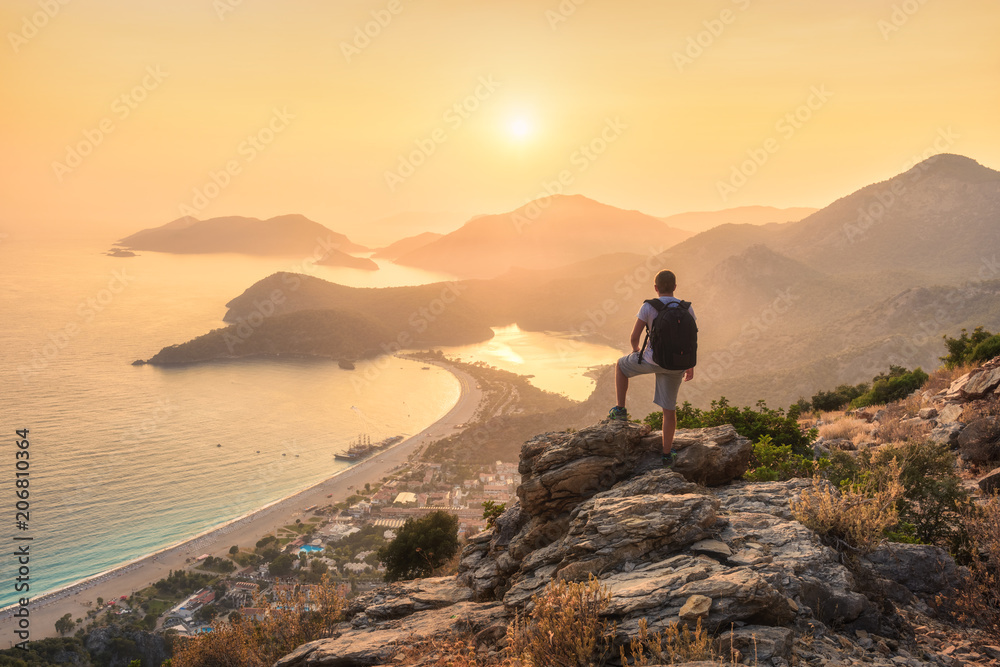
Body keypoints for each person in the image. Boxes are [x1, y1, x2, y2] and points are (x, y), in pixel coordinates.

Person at [609, 270, 695, 464]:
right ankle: (666, 454)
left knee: (621, 367)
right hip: (676, 364)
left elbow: (634, 337)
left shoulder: (648, 306)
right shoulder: (686, 308)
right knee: (669, 410)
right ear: (675, 287)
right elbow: (691, 339)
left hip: (650, 360)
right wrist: (689, 364)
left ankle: (620, 410)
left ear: (656, 288)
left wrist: (636, 351)